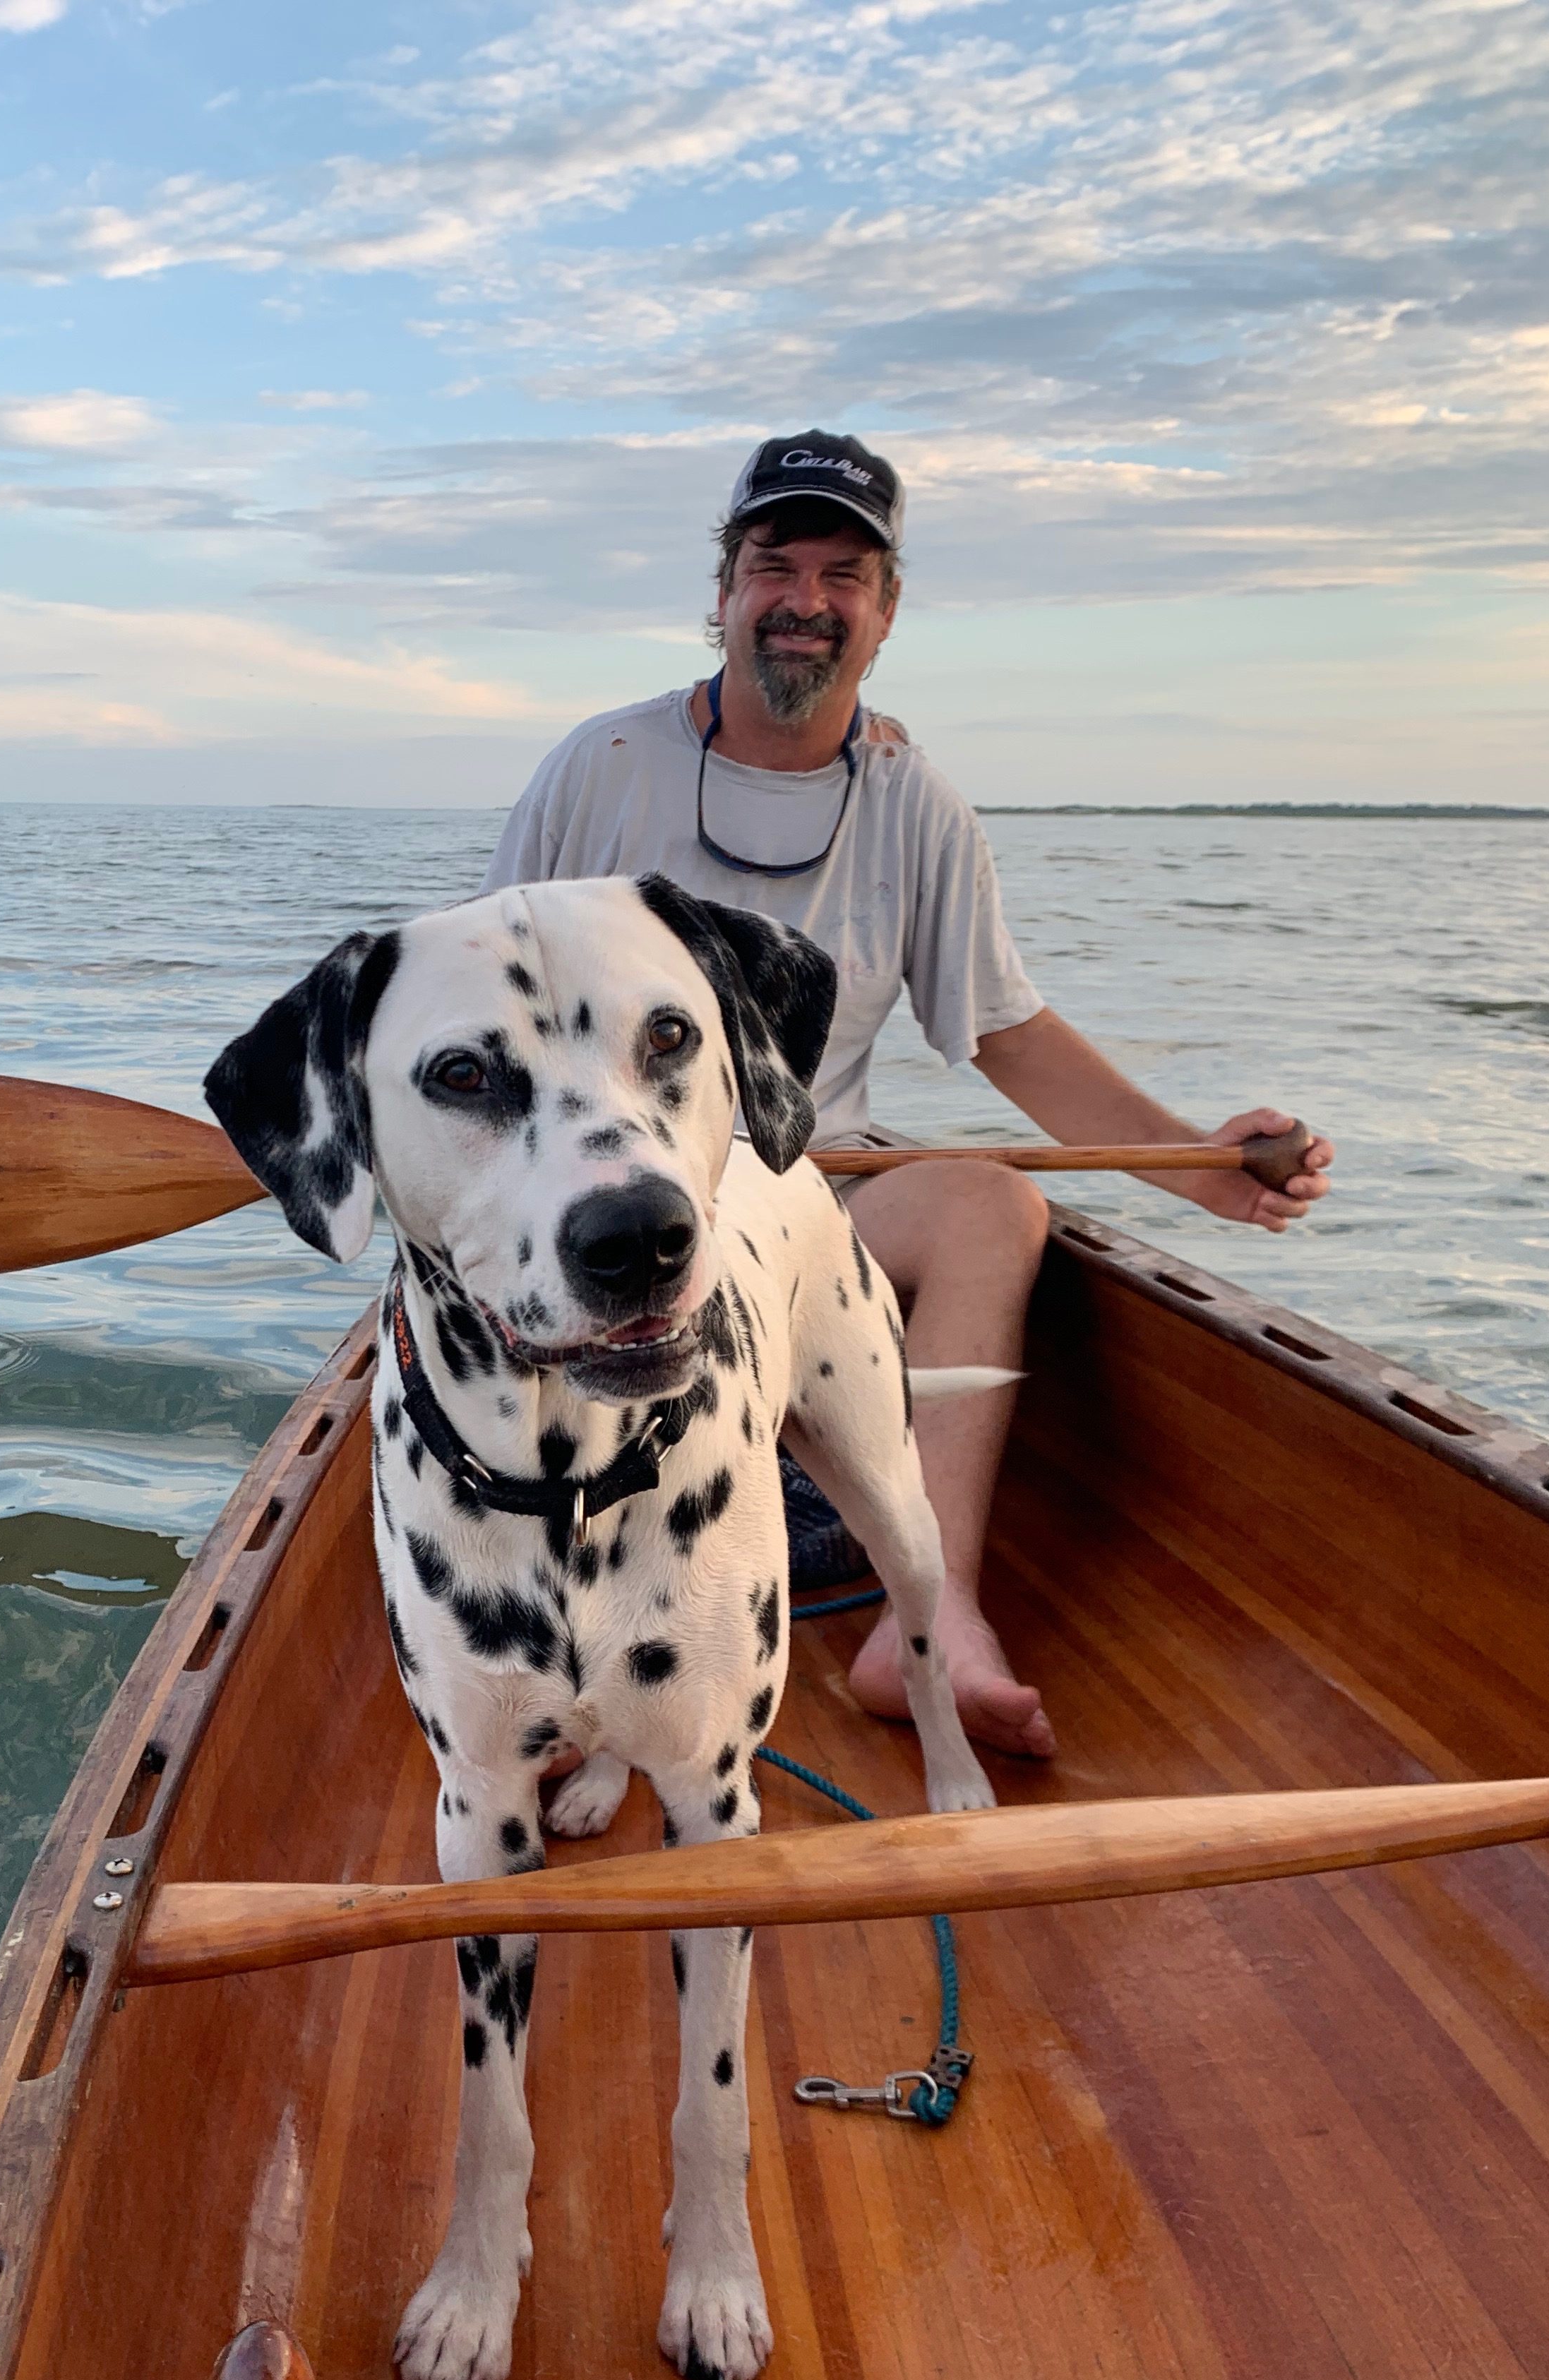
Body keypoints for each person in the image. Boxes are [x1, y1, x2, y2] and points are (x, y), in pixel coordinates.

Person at [486, 429, 1332, 1759]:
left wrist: (1189, 1163)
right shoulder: (601, 768)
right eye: (776, 565)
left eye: (847, 574)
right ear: (722, 593)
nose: (807, 600)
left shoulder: (914, 801)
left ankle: (932, 1619)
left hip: (818, 1207)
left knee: (996, 1208)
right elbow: (491, 1010)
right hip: (624, 1216)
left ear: (886, 614)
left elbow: (1006, 1030)